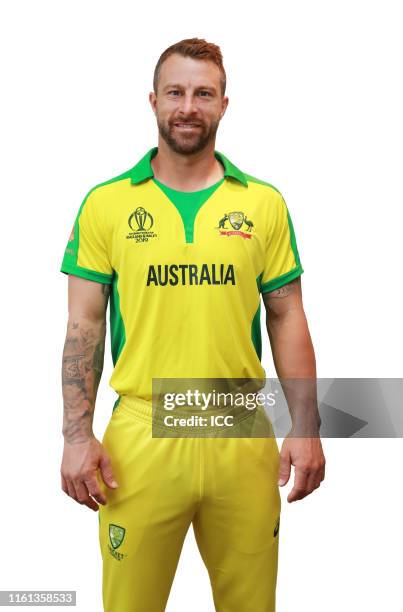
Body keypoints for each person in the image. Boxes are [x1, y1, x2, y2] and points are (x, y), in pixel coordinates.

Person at [60, 37, 325, 612]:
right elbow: (83, 327)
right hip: (142, 434)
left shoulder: (263, 204)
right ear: (153, 101)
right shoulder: (105, 205)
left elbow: (287, 316)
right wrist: (76, 436)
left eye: (203, 93)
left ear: (224, 105)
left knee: (250, 605)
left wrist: (305, 426)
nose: (188, 107)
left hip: (240, 428)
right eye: (176, 92)